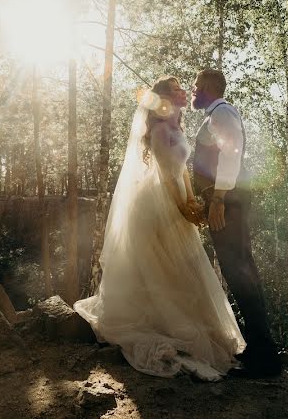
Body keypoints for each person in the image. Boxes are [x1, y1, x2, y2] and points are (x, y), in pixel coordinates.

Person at [74, 76, 245, 381]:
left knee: (182, 265)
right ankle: (166, 327)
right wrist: (182, 207)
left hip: (177, 198)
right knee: (163, 266)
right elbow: (167, 176)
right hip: (158, 204)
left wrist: (191, 201)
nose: (184, 92)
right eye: (178, 89)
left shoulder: (177, 127)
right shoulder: (159, 130)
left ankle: (192, 327)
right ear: (165, 98)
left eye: (184, 88)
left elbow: (183, 173)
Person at [191, 68, 282, 378]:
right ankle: (259, 349)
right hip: (225, 200)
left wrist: (217, 199)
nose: (192, 92)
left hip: (227, 202)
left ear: (208, 87)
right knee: (240, 271)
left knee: (240, 272)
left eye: (195, 87)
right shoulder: (216, 114)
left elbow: (230, 155)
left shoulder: (223, 113)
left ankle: (265, 358)